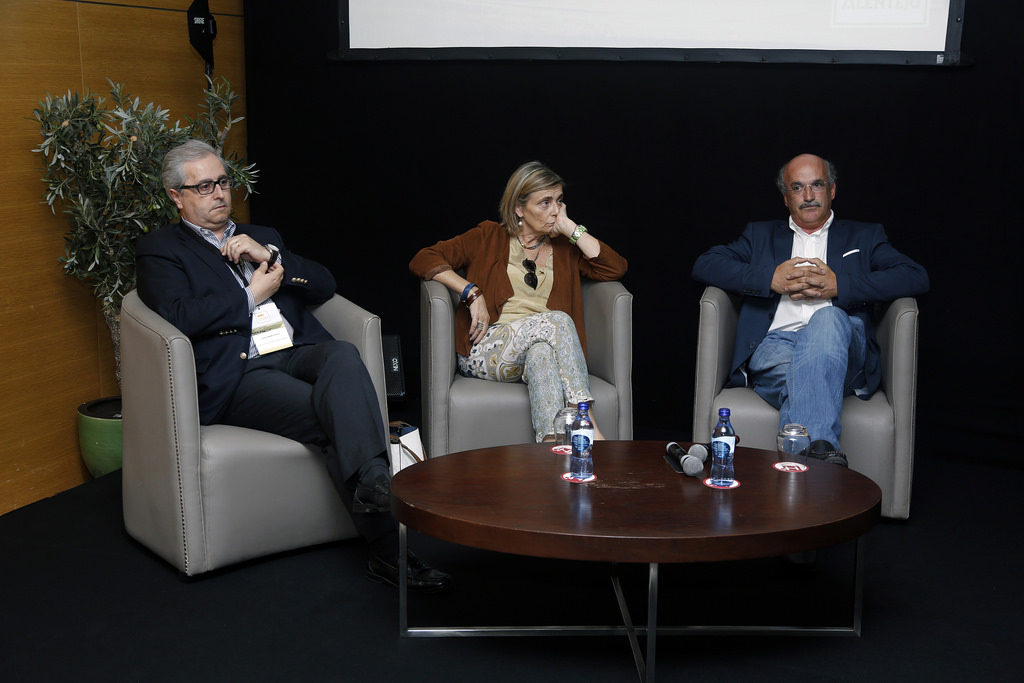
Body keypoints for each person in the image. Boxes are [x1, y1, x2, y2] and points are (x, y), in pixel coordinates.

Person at [134, 139, 450, 592]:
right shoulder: (161, 249)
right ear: (176, 195)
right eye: (204, 186)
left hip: (296, 349)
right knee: (332, 417)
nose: (219, 193)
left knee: (343, 353)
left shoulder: (262, 233)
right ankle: (390, 551)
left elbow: (324, 285)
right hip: (243, 373)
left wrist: (271, 257)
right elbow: (181, 315)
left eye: (222, 181)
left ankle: (376, 482)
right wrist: (249, 297)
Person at [691, 153, 929, 466]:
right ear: (786, 197)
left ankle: (804, 474)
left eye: (816, 185)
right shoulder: (759, 235)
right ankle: (818, 464)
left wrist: (840, 286)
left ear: (831, 190)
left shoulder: (864, 235)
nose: (808, 196)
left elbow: (915, 276)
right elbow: (704, 265)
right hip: (775, 348)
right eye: (798, 188)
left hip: (843, 346)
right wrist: (769, 278)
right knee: (805, 375)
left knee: (827, 316)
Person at [409, 161, 628, 442]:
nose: (555, 211)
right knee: (558, 319)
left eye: (559, 202)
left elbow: (614, 268)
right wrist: (471, 292)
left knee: (542, 354)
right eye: (545, 203)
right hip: (485, 350)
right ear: (519, 208)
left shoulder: (564, 249)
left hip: (537, 348)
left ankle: (550, 450)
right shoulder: (488, 236)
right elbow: (424, 258)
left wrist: (569, 227)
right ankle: (587, 425)